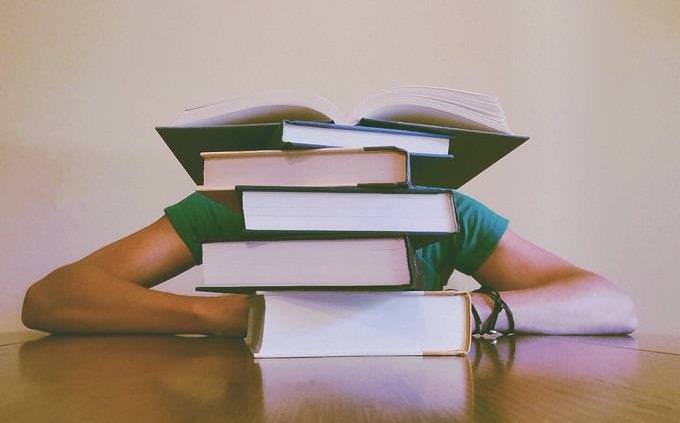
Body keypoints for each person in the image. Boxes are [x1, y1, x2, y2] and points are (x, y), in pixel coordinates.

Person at [21, 191, 638, 336]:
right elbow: (51, 298)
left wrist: (472, 310)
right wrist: (238, 316)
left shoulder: (441, 212)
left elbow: (610, 302)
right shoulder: (233, 203)